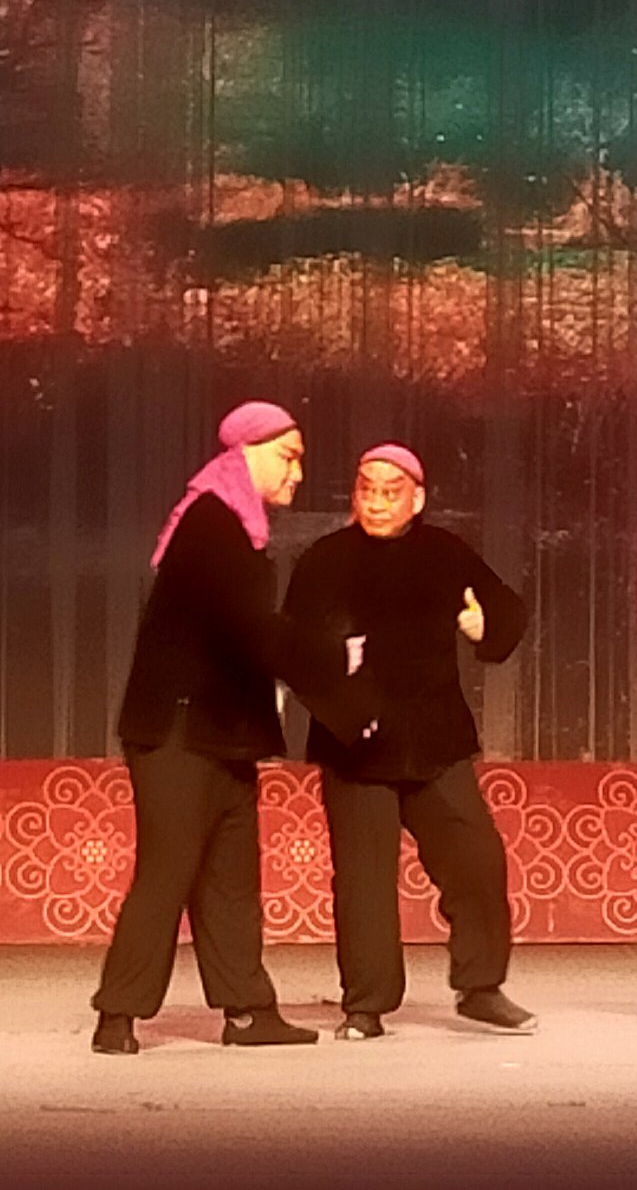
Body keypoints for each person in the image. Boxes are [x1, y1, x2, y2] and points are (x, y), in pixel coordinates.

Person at [90, 401, 325, 1054]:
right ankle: (118, 1014)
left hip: (219, 731)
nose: (298, 472)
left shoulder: (235, 526)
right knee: (168, 871)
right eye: (288, 456)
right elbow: (250, 629)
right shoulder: (212, 523)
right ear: (246, 454)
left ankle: (248, 1010)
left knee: (230, 877)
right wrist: (331, 665)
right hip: (180, 729)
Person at [283, 443, 534, 1041]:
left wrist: (487, 627)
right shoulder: (325, 560)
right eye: (365, 490)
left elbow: (505, 607)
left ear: (416, 499)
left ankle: (480, 987)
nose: (375, 502)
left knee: (476, 860)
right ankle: (366, 1004)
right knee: (364, 881)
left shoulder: (444, 552)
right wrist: (339, 688)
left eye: (389, 492)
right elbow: (293, 647)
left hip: (434, 739)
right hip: (356, 743)